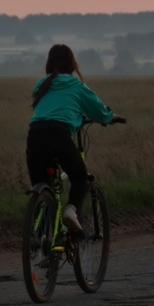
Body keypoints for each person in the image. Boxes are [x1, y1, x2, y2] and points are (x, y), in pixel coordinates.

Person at [27, 44, 124, 232]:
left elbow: (49, 108)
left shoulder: (41, 84)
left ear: (49, 62)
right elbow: (99, 111)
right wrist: (110, 117)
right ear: (72, 64)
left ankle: (43, 240)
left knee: (42, 186)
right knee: (80, 178)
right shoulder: (77, 86)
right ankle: (71, 212)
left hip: (35, 136)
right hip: (59, 135)